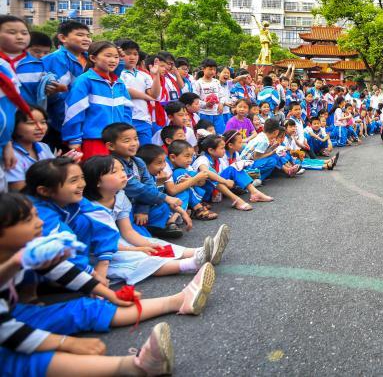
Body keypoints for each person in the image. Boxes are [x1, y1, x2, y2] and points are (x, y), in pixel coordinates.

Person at [0, 192, 184, 376]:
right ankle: (135, 367)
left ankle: (178, 300)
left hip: (14, 312)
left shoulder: (24, 253)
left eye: (36, 216)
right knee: (18, 359)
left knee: (84, 307)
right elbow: (6, 331)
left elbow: (64, 272)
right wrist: (67, 343)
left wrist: (111, 295)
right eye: (28, 220)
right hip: (5, 326)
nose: (40, 223)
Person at [80, 156, 228, 285]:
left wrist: (149, 245)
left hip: (116, 242)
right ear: (96, 181)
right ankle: (192, 263)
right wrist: (138, 249)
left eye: (122, 170)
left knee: (155, 245)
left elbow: (128, 231)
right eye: (114, 172)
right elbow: (104, 244)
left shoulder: (120, 196)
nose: (123, 174)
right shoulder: (92, 209)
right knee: (139, 258)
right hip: (97, 253)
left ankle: (201, 251)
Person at [104, 123, 188, 240]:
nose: (133, 143)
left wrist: (142, 208)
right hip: (122, 208)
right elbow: (133, 187)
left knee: (161, 206)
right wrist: (166, 198)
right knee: (141, 237)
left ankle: (153, 227)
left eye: (136, 139)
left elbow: (148, 185)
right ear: (111, 146)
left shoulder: (138, 161)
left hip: (138, 204)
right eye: (127, 140)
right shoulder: (112, 164)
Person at [62, 41, 133, 158]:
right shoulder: (84, 81)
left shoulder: (119, 83)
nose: (113, 60)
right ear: (93, 58)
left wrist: (127, 135)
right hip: (94, 141)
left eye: (116, 57)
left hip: (119, 141)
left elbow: (127, 111)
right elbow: (74, 113)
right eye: (108, 56)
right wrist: (74, 141)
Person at [42, 21, 91, 148]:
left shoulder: (91, 59)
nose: (86, 39)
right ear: (63, 38)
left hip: (86, 121)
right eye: (80, 35)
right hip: (60, 123)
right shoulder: (54, 59)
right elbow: (51, 94)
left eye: (88, 35)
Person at [118, 39, 161, 146]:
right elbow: (126, 91)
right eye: (127, 54)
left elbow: (154, 94)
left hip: (144, 119)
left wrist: (156, 76)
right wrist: (147, 97)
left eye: (135, 54)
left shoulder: (144, 75)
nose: (132, 57)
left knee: (145, 153)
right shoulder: (118, 73)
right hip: (126, 119)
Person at [194, 59, 227, 134]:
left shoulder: (216, 82)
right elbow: (196, 99)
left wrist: (221, 104)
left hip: (217, 113)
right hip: (204, 113)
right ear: (203, 69)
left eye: (214, 69)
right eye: (210, 69)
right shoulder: (198, 83)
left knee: (220, 133)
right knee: (206, 134)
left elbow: (222, 95)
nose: (212, 72)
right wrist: (206, 104)